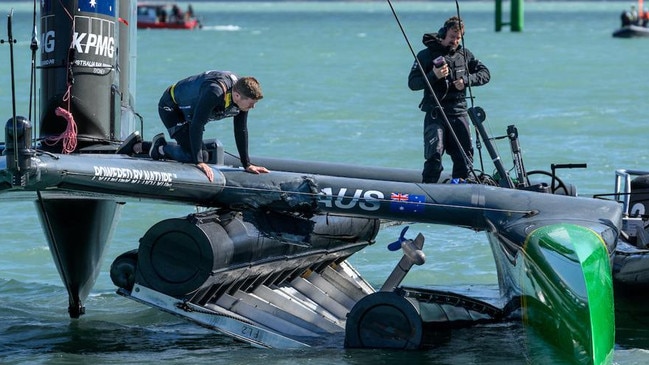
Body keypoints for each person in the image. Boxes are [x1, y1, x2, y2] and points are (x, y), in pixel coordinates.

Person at [117, 71, 269, 182]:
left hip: (190, 115)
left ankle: (140, 146)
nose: (253, 107)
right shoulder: (214, 92)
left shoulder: (240, 96)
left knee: (207, 152)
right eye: (251, 104)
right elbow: (197, 124)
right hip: (171, 108)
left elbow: (240, 129)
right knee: (195, 156)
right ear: (237, 96)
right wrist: (199, 162)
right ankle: (159, 148)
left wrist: (247, 164)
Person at [408, 16, 490, 184]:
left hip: (459, 112)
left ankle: (460, 191)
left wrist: (466, 81)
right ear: (443, 34)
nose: (455, 41)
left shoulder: (465, 54)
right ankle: (429, 190)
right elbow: (413, 83)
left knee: (464, 157)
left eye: (458, 37)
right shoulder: (425, 55)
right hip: (436, 114)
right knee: (434, 156)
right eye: (452, 36)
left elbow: (485, 74)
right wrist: (434, 75)